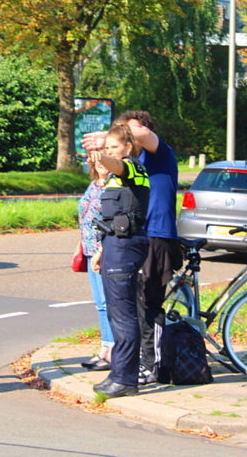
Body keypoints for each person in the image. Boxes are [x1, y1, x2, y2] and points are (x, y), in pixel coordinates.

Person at [83, 110, 181, 384]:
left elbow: (144, 134)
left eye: (127, 132)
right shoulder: (129, 163)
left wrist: (111, 135)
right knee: (130, 306)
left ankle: (152, 365)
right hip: (134, 238)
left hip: (157, 236)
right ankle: (133, 364)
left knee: (149, 304)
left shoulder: (159, 154)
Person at [89, 122, 151, 399]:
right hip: (115, 245)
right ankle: (117, 373)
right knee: (116, 313)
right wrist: (102, 250)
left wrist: (101, 156)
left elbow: (119, 167)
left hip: (127, 247)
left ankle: (126, 379)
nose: (110, 152)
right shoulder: (115, 179)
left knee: (125, 315)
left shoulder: (134, 167)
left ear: (127, 147)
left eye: (114, 147)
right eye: (106, 148)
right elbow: (113, 220)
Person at [74, 154, 113, 371]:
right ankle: (104, 348)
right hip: (89, 250)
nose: (100, 163)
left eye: (104, 159)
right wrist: (80, 245)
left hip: (104, 251)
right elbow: (86, 217)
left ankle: (112, 351)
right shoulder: (94, 184)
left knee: (108, 303)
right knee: (100, 304)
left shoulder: (113, 186)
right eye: (96, 160)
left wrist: (101, 249)